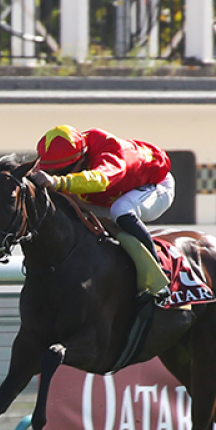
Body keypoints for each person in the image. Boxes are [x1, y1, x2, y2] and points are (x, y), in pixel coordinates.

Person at [32, 123, 174, 301]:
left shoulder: (108, 149)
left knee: (120, 210)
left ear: (82, 158)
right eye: (50, 170)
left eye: (62, 170)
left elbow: (101, 180)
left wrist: (57, 181)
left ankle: (159, 273)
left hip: (155, 185)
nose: (55, 174)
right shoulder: (66, 153)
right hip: (109, 195)